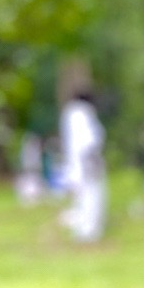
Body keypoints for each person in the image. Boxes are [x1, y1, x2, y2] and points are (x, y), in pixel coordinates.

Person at [59, 79, 107, 244]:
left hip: (78, 162)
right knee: (91, 196)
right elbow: (89, 140)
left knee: (83, 197)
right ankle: (89, 231)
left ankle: (84, 230)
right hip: (87, 161)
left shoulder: (70, 114)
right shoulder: (83, 114)